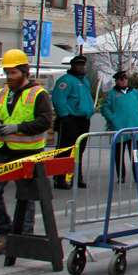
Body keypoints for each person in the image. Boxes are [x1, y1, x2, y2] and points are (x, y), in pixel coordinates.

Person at [0, 49, 55, 255]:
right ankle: (5, 233)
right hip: (3, 149)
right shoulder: (2, 92)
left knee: (27, 195)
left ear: (24, 72)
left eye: (13, 73)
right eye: (7, 72)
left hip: (28, 150)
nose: (9, 77)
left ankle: (24, 236)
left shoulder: (38, 94)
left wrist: (18, 127)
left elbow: (45, 121)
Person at [51, 54, 94, 189]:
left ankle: (76, 176)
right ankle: (59, 178)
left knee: (79, 150)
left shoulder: (85, 81)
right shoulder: (66, 81)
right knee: (64, 149)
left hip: (83, 120)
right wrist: (65, 116)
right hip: (70, 119)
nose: (81, 67)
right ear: (73, 66)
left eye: (83, 65)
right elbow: (59, 99)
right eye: (79, 65)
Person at [101, 70, 138, 183]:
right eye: (121, 79)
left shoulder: (135, 92)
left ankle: (137, 175)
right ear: (117, 81)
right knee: (119, 155)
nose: (123, 80)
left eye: (125, 78)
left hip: (134, 128)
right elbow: (105, 108)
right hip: (119, 129)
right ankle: (121, 176)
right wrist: (112, 118)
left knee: (135, 154)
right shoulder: (112, 94)